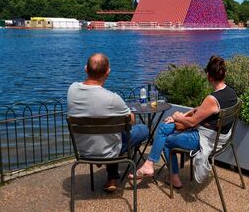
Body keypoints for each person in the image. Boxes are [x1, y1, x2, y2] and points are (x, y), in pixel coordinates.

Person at [130, 55, 237, 188]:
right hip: (217, 136)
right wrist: (182, 116)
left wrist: (176, 117)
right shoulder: (231, 92)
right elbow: (199, 109)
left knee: (167, 141)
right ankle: (149, 165)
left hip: (207, 140)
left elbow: (192, 123)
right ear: (224, 73)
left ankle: (173, 177)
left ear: (208, 76)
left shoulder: (212, 99)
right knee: (164, 127)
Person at [67, 53, 149, 192]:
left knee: (111, 134)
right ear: (108, 72)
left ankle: (112, 178)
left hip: (84, 150)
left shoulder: (72, 90)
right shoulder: (113, 99)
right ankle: (114, 173)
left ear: (86, 69)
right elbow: (131, 122)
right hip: (108, 150)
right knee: (143, 129)